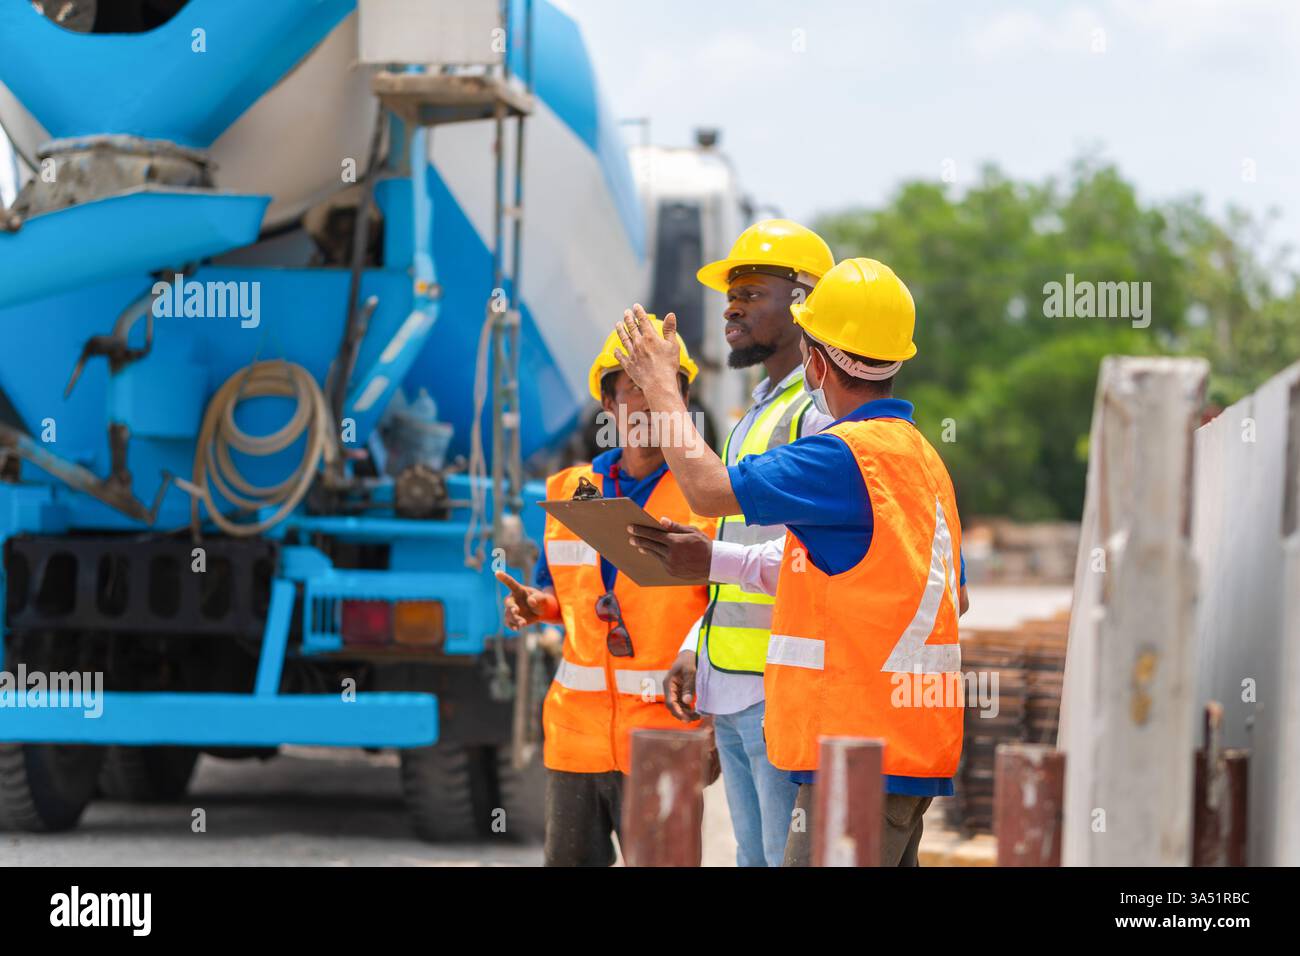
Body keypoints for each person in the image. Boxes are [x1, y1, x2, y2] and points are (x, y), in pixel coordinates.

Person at [612, 258, 965, 866]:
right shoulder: (920, 458)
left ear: (818, 361)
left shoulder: (842, 455)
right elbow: (897, 582)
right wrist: (716, 558)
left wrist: (662, 386)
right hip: (903, 748)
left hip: (852, 755)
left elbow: (704, 488)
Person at [624, 219, 835, 868]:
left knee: (783, 859)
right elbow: (736, 537)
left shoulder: (816, 412)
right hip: (736, 683)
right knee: (754, 858)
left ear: (803, 303)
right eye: (729, 292)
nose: (731, 306)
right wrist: (697, 648)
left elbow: (813, 560)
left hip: (784, 686)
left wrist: (660, 385)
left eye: (751, 291)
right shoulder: (755, 414)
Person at [496, 318, 716, 867]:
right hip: (577, 737)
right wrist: (537, 605)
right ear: (609, 404)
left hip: (665, 738)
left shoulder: (707, 498)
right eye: (629, 388)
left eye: (655, 387)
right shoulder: (569, 491)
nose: (641, 403)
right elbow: (563, 593)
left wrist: (715, 727)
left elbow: (728, 612)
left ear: (679, 401)